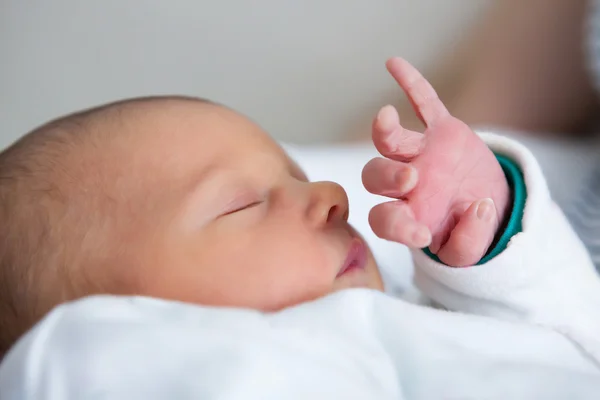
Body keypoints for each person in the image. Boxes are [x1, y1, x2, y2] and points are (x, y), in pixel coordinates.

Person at [1, 58, 600, 398]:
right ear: (112, 322)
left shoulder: (411, 307)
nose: (330, 195)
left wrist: (486, 228)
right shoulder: (135, 365)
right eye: (241, 205)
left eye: (296, 172)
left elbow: (576, 341)